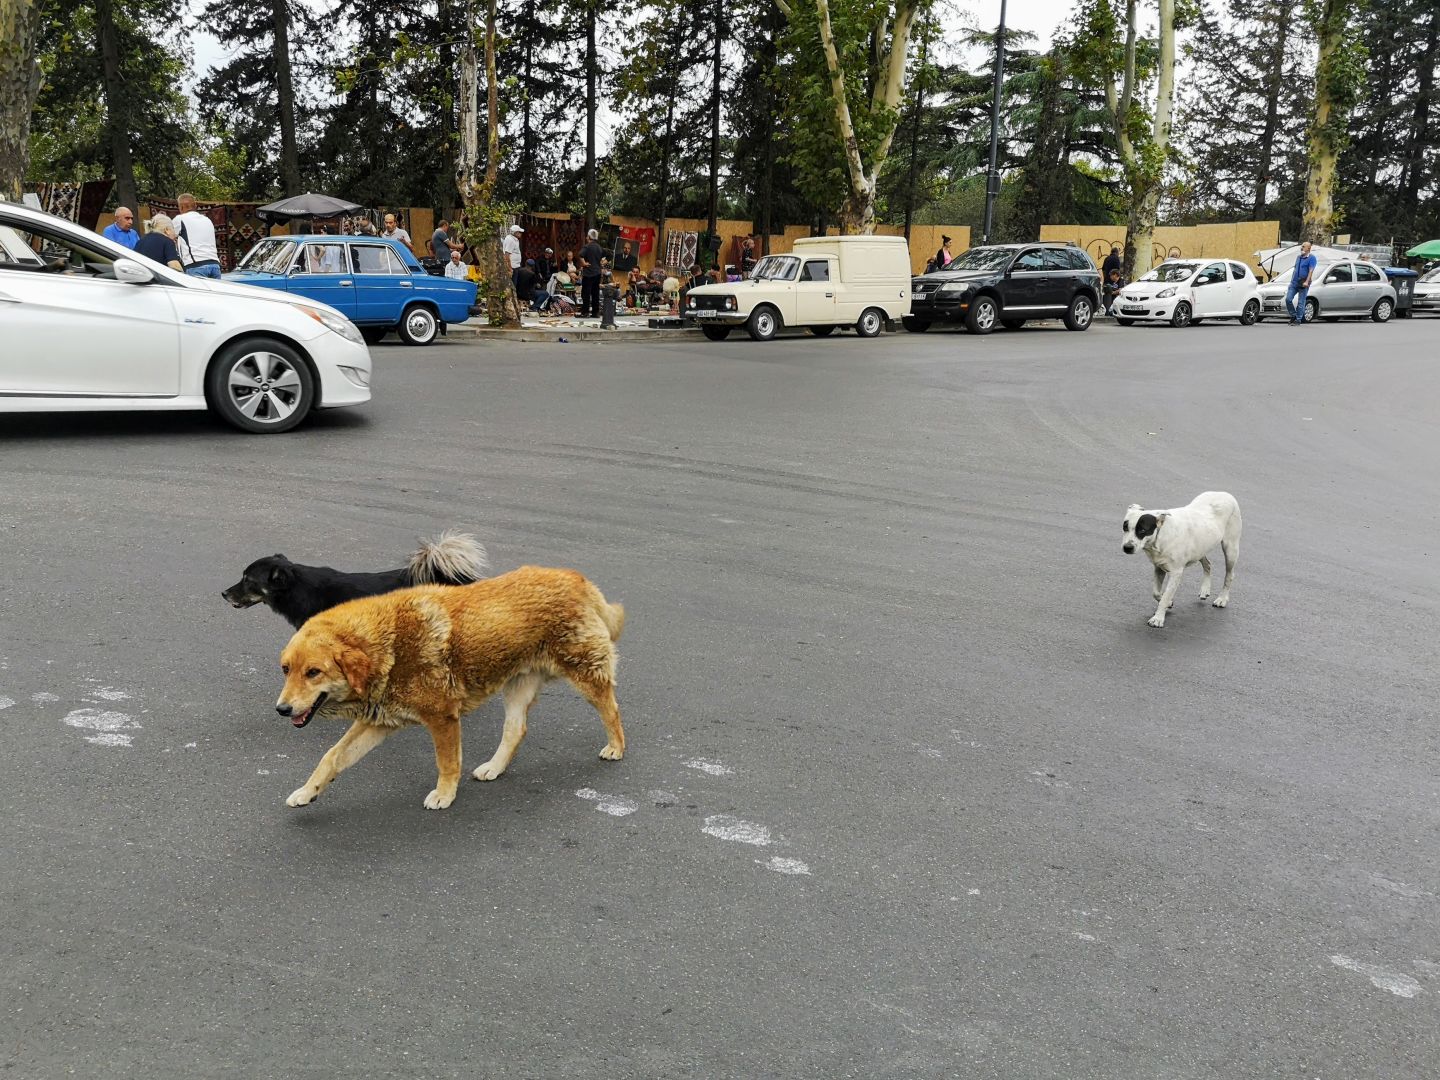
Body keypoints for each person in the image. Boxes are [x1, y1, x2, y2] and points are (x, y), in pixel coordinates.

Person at [173, 193, 222, 278]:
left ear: (180, 207)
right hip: (215, 265)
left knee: (196, 291)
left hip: (195, 266)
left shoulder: (179, 219)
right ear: (195, 205)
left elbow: (167, 234)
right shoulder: (207, 220)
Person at [1286, 240, 1318, 325]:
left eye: (1303, 246)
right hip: (1294, 282)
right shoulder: (1298, 257)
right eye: (1302, 246)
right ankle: (1293, 315)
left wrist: (1307, 281)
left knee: (1301, 301)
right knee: (1288, 299)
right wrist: (1291, 281)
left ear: (1308, 248)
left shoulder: (1312, 258)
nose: (1301, 247)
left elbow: (1311, 270)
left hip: (1304, 282)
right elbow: (1295, 269)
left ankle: (1298, 319)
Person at [578, 227, 604, 318]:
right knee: (595, 293)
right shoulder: (599, 247)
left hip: (589, 273)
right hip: (597, 273)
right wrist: (602, 262)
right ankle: (595, 313)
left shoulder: (587, 246)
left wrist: (584, 263)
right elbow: (608, 255)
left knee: (586, 293)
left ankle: (585, 312)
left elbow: (580, 255)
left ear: (589, 237)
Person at [503, 223, 524, 289]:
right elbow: (507, 255)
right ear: (516, 232)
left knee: (514, 283)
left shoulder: (514, 239)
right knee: (512, 285)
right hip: (512, 267)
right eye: (520, 232)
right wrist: (509, 268)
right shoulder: (510, 240)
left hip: (515, 266)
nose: (521, 233)